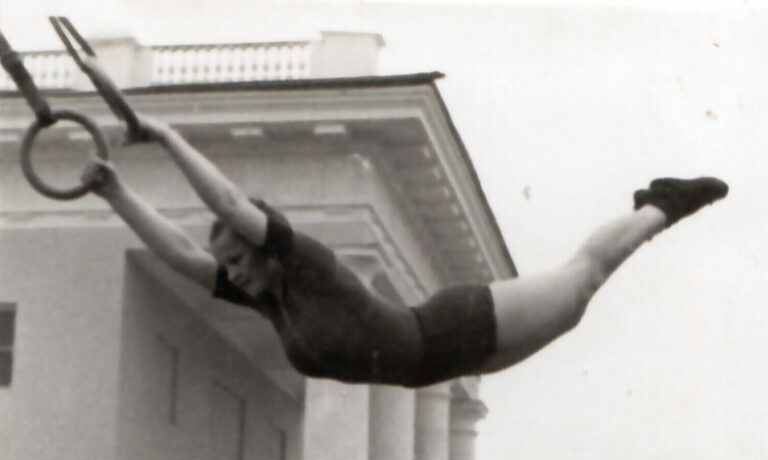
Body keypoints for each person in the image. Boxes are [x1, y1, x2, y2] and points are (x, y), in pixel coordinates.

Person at [79, 71, 728, 389]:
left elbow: (222, 197)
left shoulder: (302, 261)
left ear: (264, 246)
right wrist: (113, 191)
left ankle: (660, 206)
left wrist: (165, 135)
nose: (235, 274)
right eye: (233, 269)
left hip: (451, 327)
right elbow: (180, 253)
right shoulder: (266, 297)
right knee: (575, 307)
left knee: (578, 287)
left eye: (241, 259)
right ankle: (656, 206)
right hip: (437, 364)